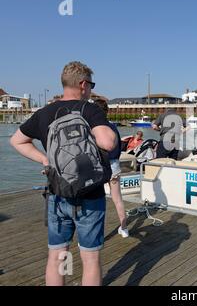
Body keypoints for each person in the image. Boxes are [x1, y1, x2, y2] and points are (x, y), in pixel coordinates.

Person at [10, 61, 116, 286]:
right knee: (90, 259)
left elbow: (17, 141)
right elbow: (107, 143)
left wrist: (44, 158)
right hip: (90, 195)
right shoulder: (90, 109)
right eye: (91, 85)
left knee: (59, 255)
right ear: (83, 84)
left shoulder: (44, 113)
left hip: (58, 194)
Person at [93, 99, 129, 238]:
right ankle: (124, 228)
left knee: (95, 201)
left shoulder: (94, 128)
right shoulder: (113, 127)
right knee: (118, 199)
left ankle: (94, 234)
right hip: (114, 164)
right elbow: (119, 146)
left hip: (98, 165)